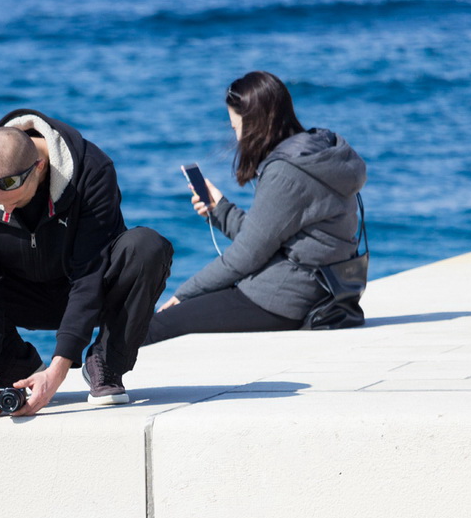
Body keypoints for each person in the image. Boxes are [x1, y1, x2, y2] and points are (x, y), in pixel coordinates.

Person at [0, 109, 173, 417]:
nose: (5, 210)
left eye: (13, 202)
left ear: (39, 167)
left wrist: (58, 369)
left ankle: (106, 366)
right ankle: (9, 368)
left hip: (88, 289)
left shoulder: (92, 171)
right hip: (16, 292)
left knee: (146, 246)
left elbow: (90, 274)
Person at [144, 71, 367, 344]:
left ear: (254, 124)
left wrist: (182, 294)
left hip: (287, 298)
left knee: (159, 324)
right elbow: (267, 237)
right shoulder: (317, 153)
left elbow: (245, 256)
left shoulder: (286, 173)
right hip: (323, 289)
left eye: (236, 127)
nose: (237, 137)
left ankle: (103, 378)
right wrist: (220, 209)